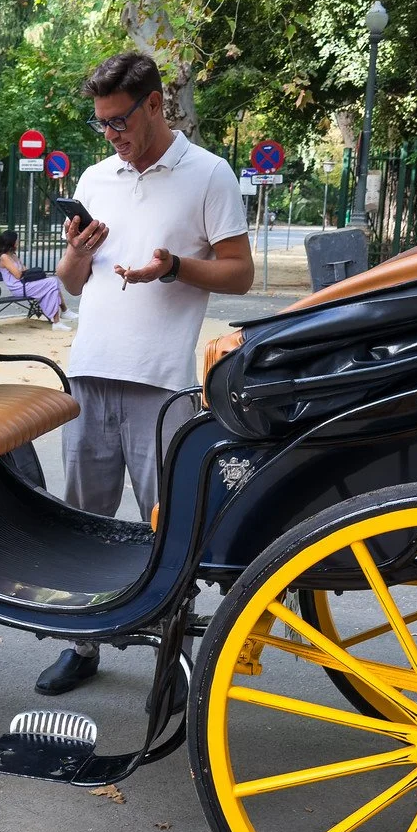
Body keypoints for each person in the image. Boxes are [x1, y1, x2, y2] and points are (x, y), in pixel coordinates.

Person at [35, 52, 254, 695]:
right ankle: (83, 642)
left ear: (156, 104)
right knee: (83, 518)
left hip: (161, 383)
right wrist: (76, 253)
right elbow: (71, 284)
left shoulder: (209, 174)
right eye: (102, 124)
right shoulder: (98, 178)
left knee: (167, 524)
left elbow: (239, 274)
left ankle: (174, 655)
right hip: (91, 372)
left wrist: (176, 268)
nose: (112, 136)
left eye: (121, 121)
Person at [0, 229, 68, 327]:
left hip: (24, 284)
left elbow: (25, 270)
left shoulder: (13, 256)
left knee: (51, 285)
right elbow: (18, 275)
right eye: (17, 240)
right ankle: (62, 313)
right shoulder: (4, 257)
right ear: (11, 242)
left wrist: (32, 274)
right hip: (19, 288)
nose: (18, 242)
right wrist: (27, 272)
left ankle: (58, 319)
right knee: (52, 282)